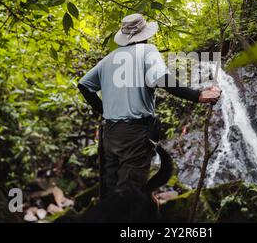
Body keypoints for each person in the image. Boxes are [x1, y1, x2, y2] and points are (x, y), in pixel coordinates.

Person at [78, 13, 221, 198]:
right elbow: (163, 79)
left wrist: (104, 110)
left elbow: (84, 85)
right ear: (145, 34)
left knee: (111, 194)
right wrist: (198, 95)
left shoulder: (108, 59)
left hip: (110, 134)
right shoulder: (147, 50)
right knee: (130, 195)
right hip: (135, 134)